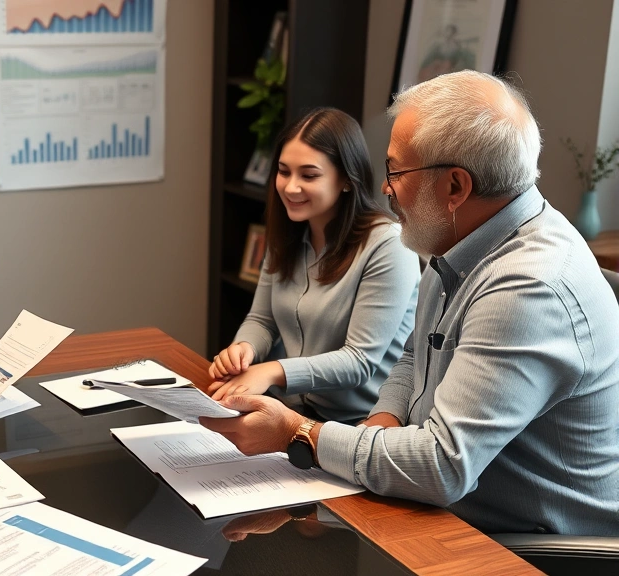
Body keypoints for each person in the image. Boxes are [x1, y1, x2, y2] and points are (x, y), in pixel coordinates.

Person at [201, 70, 619, 536]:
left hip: (526, 546)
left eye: (396, 171)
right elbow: (412, 354)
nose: (385, 188)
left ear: (455, 187)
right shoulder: (462, 239)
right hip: (446, 509)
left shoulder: (527, 288)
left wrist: (299, 434)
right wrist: (380, 426)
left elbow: (442, 467)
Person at [208, 108, 419, 424]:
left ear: (347, 180)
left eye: (309, 175)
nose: (291, 187)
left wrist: (273, 371)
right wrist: (244, 349)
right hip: (290, 410)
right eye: (283, 171)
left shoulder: (387, 245)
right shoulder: (288, 233)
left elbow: (359, 361)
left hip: (358, 425)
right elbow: (261, 319)